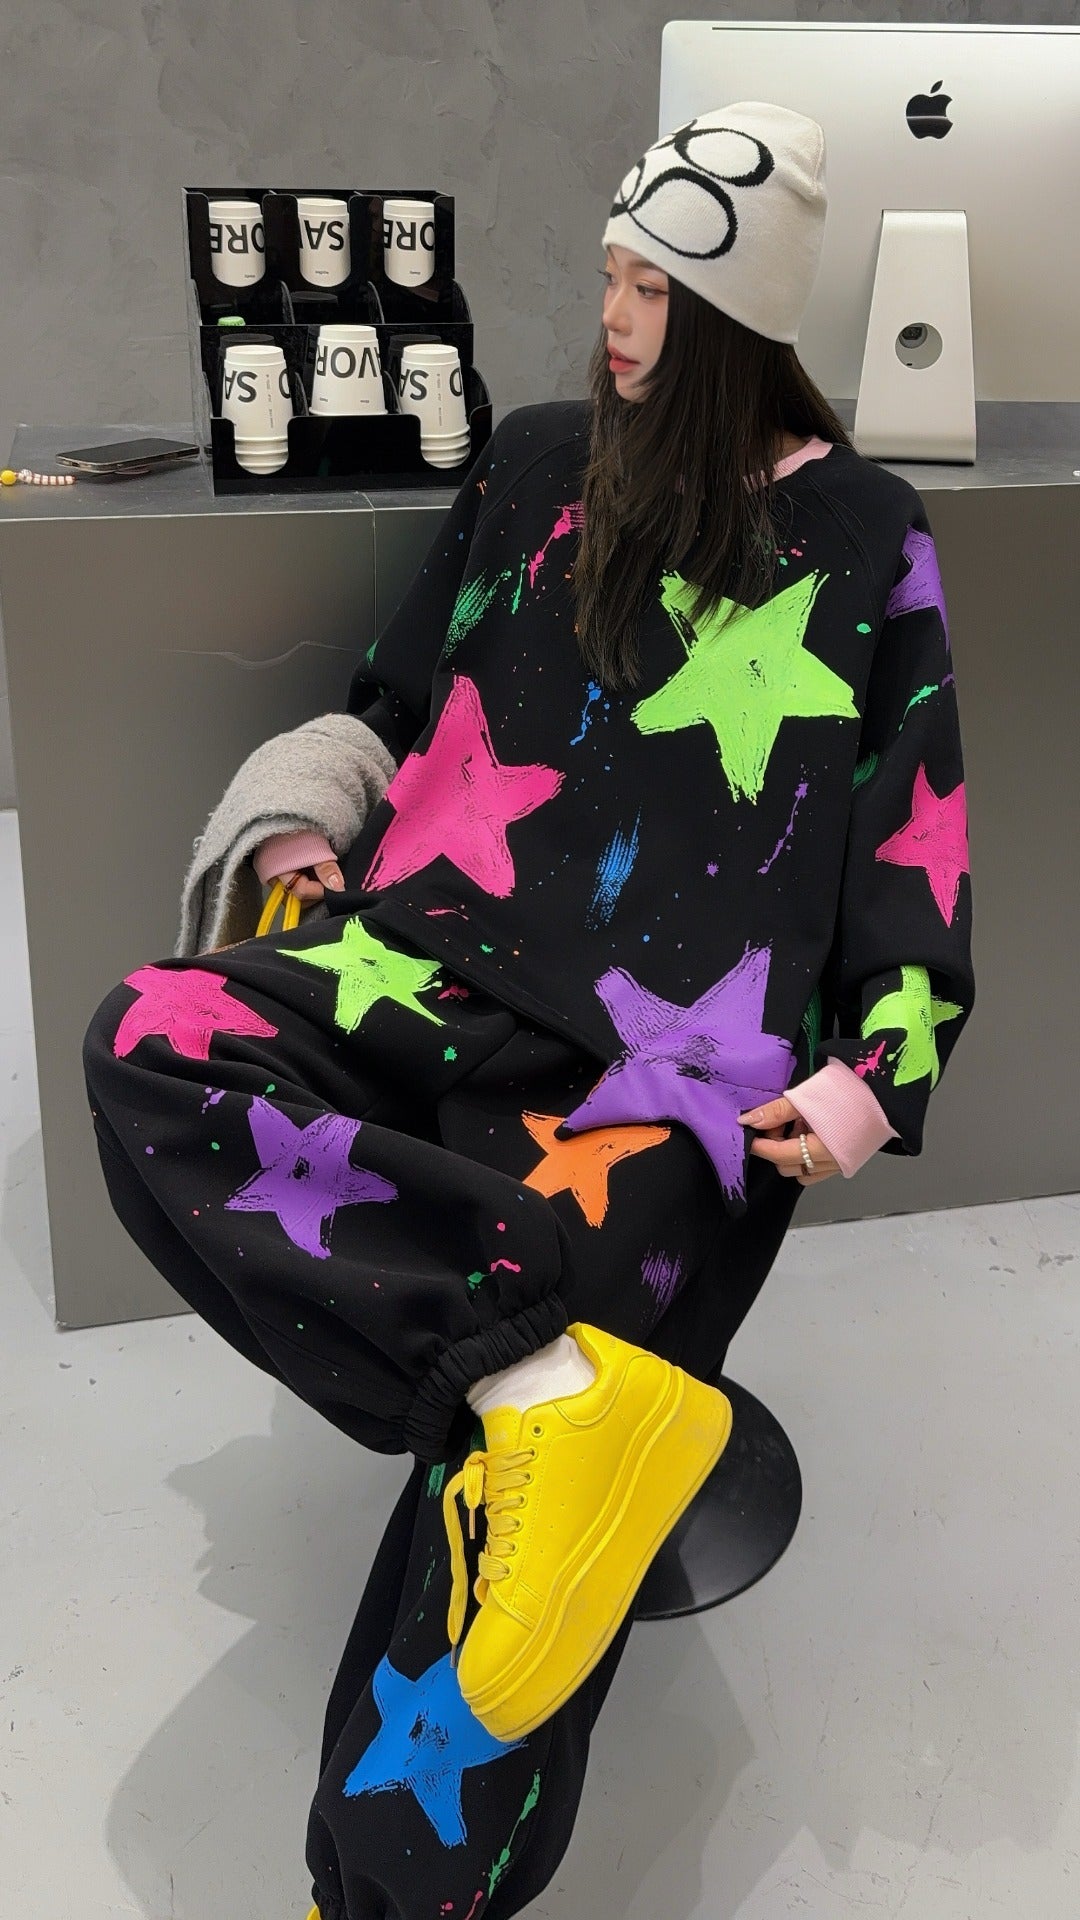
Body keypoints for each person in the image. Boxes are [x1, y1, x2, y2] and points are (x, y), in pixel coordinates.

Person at [82, 102, 973, 1920]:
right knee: (147, 1039)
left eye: (657, 290)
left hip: (676, 1068)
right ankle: (545, 1388)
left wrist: (877, 1072)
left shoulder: (870, 537)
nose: (616, 317)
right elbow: (395, 701)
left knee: (493, 1530)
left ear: (736, 319)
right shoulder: (539, 459)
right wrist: (305, 815)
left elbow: (919, 834)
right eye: (613, 276)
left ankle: (388, 1893)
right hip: (429, 957)